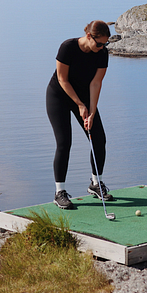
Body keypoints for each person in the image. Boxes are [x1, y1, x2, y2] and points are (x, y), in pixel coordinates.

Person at [46, 20, 113, 209]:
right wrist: (79, 105)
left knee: (98, 139)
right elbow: (62, 79)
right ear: (89, 36)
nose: (101, 48)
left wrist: (91, 112)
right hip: (59, 95)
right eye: (99, 43)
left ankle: (96, 184)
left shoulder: (102, 54)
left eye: (105, 44)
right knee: (64, 142)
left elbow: (96, 83)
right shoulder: (68, 47)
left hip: (84, 96)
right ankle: (60, 192)